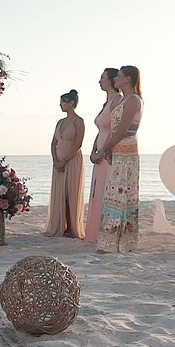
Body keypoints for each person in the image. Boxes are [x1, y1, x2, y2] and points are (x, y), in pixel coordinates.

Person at [94, 65, 143, 253]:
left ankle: (120, 241)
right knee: (115, 194)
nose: (116, 80)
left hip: (127, 153)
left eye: (119, 77)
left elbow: (122, 130)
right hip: (119, 151)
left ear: (128, 79)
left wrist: (103, 150)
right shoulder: (124, 101)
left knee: (122, 194)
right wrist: (108, 150)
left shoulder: (133, 100)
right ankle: (110, 240)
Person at [84, 68, 122, 242]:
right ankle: (94, 233)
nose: (99, 81)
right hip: (99, 154)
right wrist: (93, 151)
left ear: (112, 80)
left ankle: (108, 232)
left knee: (106, 192)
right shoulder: (105, 103)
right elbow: (100, 131)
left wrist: (103, 152)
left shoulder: (118, 101)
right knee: (96, 191)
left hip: (109, 154)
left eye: (102, 77)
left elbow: (117, 131)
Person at [42, 89, 86, 238]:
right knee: (59, 192)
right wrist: (55, 160)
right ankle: (61, 225)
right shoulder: (60, 122)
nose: (60, 105)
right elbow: (53, 142)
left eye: (63, 102)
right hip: (58, 159)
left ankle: (72, 227)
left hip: (72, 158)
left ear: (72, 103)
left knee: (70, 192)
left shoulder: (78, 121)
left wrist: (65, 160)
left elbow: (78, 143)